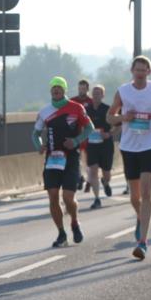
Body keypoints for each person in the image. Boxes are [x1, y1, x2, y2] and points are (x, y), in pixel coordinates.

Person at [107, 55, 151, 260]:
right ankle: (140, 217)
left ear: (149, 72)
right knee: (134, 197)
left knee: (146, 193)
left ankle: (143, 242)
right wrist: (122, 118)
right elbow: (109, 116)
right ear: (132, 71)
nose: (140, 73)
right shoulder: (123, 91)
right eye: (137, 69)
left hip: (150, 145)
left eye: (143, 70)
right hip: (129, 147)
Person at [33, 77, 93, 246]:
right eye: (53, 88)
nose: (56, 90)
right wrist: (39, 146)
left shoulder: (76, 108)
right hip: (52, 158)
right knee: (53, 196)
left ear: (64, 90)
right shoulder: (45, 111)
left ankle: (74, 221)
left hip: (71, 157)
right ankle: (61, 233)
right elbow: (35, 133)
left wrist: (75, 141)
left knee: (68, 197)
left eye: (59, 87)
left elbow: (89, 128)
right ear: (50, 91)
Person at [84, 84, 115, 208]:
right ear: (92, 95)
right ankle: (97, 198)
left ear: (103, 95)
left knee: (106, 172)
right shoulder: (86, 110)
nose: (96, 95)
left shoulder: (108, 109)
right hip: (91, 145)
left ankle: (105, 182)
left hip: (106, 145)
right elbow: (80, 125)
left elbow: (118, 125)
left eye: (99, 93)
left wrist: (109, 134)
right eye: (94, 93)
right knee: (93, 171)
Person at [72, 79, 93, 192]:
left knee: (89, 159)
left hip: (89, 134)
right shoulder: (73, 101)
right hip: (77, 134)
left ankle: (89, 180)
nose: (81, 91)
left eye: (84, 89)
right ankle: (79, 177)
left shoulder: (91, 101)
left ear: (87, 89)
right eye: (80, 88)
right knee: (77, 157)